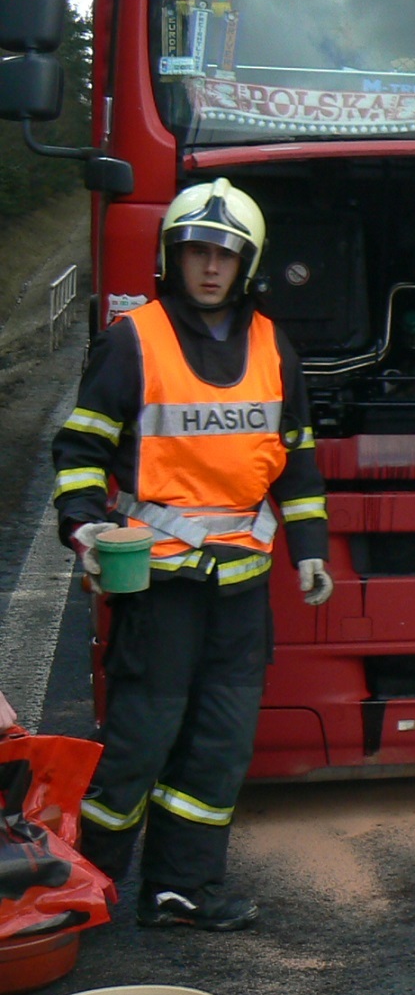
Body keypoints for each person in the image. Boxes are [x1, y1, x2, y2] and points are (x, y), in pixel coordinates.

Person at [49, 178, 333, 932]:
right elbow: (80, 449)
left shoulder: (276, 346)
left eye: (226, 255)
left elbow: (298, 459)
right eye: (197, 252)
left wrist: (308, 546)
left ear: (249, 264)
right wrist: (83, 527)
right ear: (172, 258)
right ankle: (86, 887)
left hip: (241, 594)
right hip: (158, 588)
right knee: (138, 747)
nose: (211, 268)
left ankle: (182, 890)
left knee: (219, 747)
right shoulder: (131, 340)